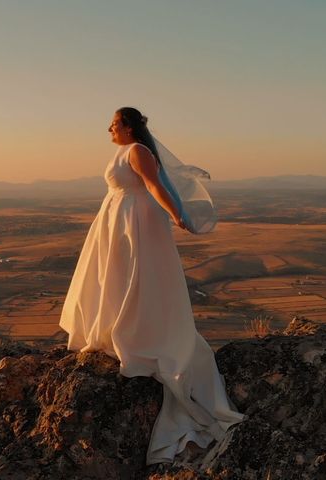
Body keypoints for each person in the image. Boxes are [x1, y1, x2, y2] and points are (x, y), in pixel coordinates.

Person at [58, 107, 246, 465]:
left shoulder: (138, 152)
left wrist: (177, 215)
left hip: (137, 221)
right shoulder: (122, 150)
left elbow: (154, 186)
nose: (109, 129)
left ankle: (138, 334)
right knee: (114, 277)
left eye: (114, 124)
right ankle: (112, 329)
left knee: (136, 278)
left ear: (128, 126)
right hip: (118, 217)